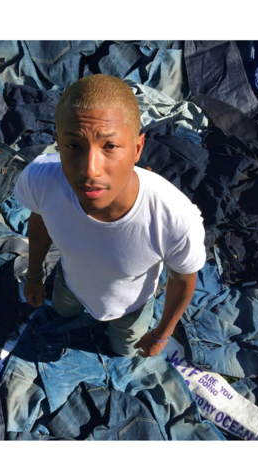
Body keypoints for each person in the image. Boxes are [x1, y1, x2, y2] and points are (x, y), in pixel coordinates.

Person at [14, 74, 206, 358]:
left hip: (130, 309)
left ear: (137, 148)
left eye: (110, 146)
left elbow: (182, 280)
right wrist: (33, 276)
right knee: (62, 313)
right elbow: (40, 219)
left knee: (124, 351)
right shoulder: (41, 180)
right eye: (74, 146)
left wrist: (161, 335)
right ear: (58, 144)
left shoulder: (174, 219)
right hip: (68, 285)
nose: (90, 170)